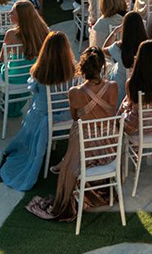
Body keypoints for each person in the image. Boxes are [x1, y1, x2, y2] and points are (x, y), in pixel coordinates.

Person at [28, 45, 122, 221]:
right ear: (102, 66)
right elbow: (111, 112)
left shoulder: (74, 92)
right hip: (108, 147)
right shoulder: (113, 87)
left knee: (76, 132)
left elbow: (75, 117)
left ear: (83, 68)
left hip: (85, 147)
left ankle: (69, 170)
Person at [0, 29, 76, 192]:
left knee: (33, 110)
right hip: (68, 116)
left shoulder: (40, 72)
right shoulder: (75, 70)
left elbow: (34, 93)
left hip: (45, 119)